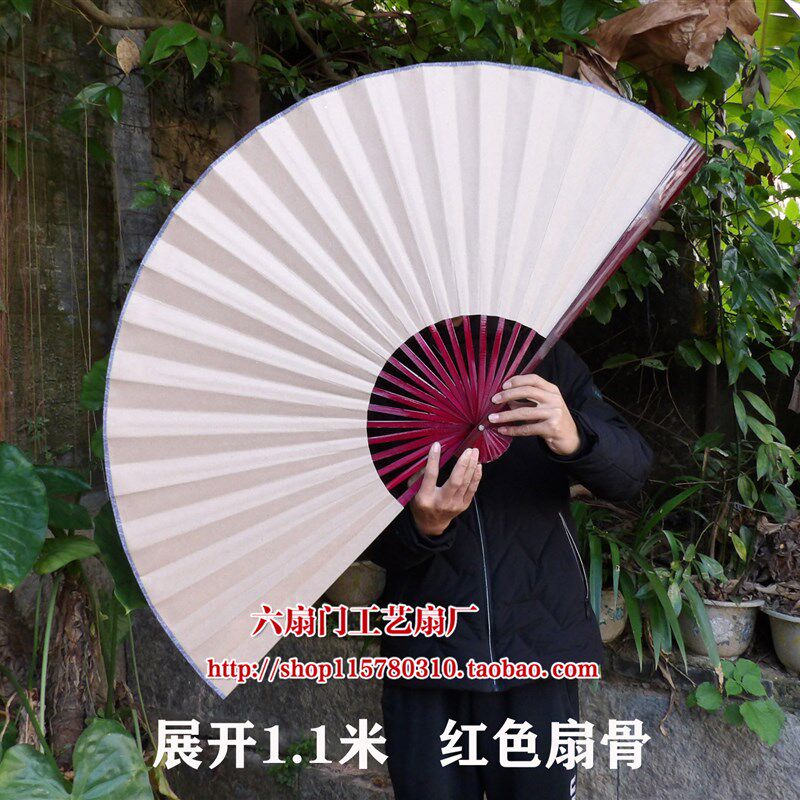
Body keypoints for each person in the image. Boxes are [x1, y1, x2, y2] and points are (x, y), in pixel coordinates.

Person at [366, 337, 652, 800]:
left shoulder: (542, 355)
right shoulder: (387, 374)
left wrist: (574, 434)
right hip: (427, 657)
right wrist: (424, 527)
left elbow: (632, 471)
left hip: (540, 647)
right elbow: (355, 536)